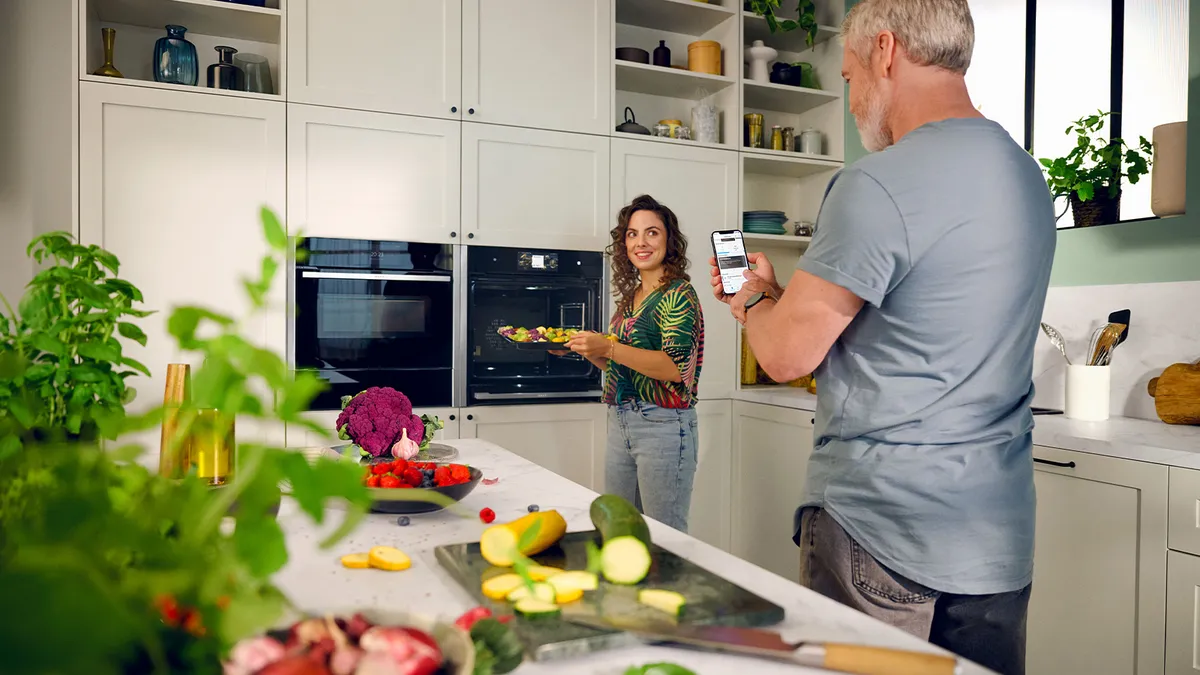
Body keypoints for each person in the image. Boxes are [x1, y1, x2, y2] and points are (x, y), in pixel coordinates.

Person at [708, 1, 1055, 674]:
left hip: (883, 534)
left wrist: (752, 298)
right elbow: (913, 328)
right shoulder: (1026, 177)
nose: (852, 93)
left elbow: (784, 354)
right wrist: (784, 301)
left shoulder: (876, 182)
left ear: (887, 52)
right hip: (997, 543)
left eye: (848, 75)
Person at [564, 194, 704, 533]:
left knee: (664, 535)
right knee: (618, 528)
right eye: (632, 234)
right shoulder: (631, 298)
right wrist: (587, 349)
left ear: (669, 241)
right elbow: (626, 369)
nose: (640, 242)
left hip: (663, 425)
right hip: (621, 420)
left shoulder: (678, 294)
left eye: (652, 233)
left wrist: (609, 348)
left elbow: (674, 367)